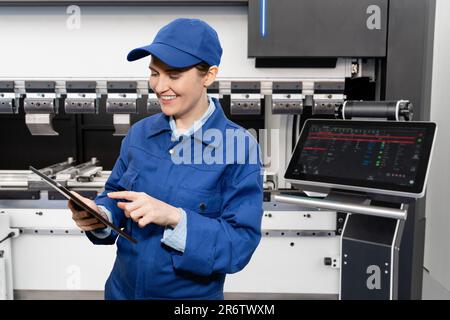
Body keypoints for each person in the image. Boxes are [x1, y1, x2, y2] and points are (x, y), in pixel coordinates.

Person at [68, 18, 263, 300]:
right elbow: (115, 195)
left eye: (173, 75)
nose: (159, 87)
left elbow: (239, 244)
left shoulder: (239, 147)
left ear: (208, 75)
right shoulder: (140, 134)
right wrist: (101, 215)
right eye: (154, 73)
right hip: (121, 292)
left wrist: (174, 218)